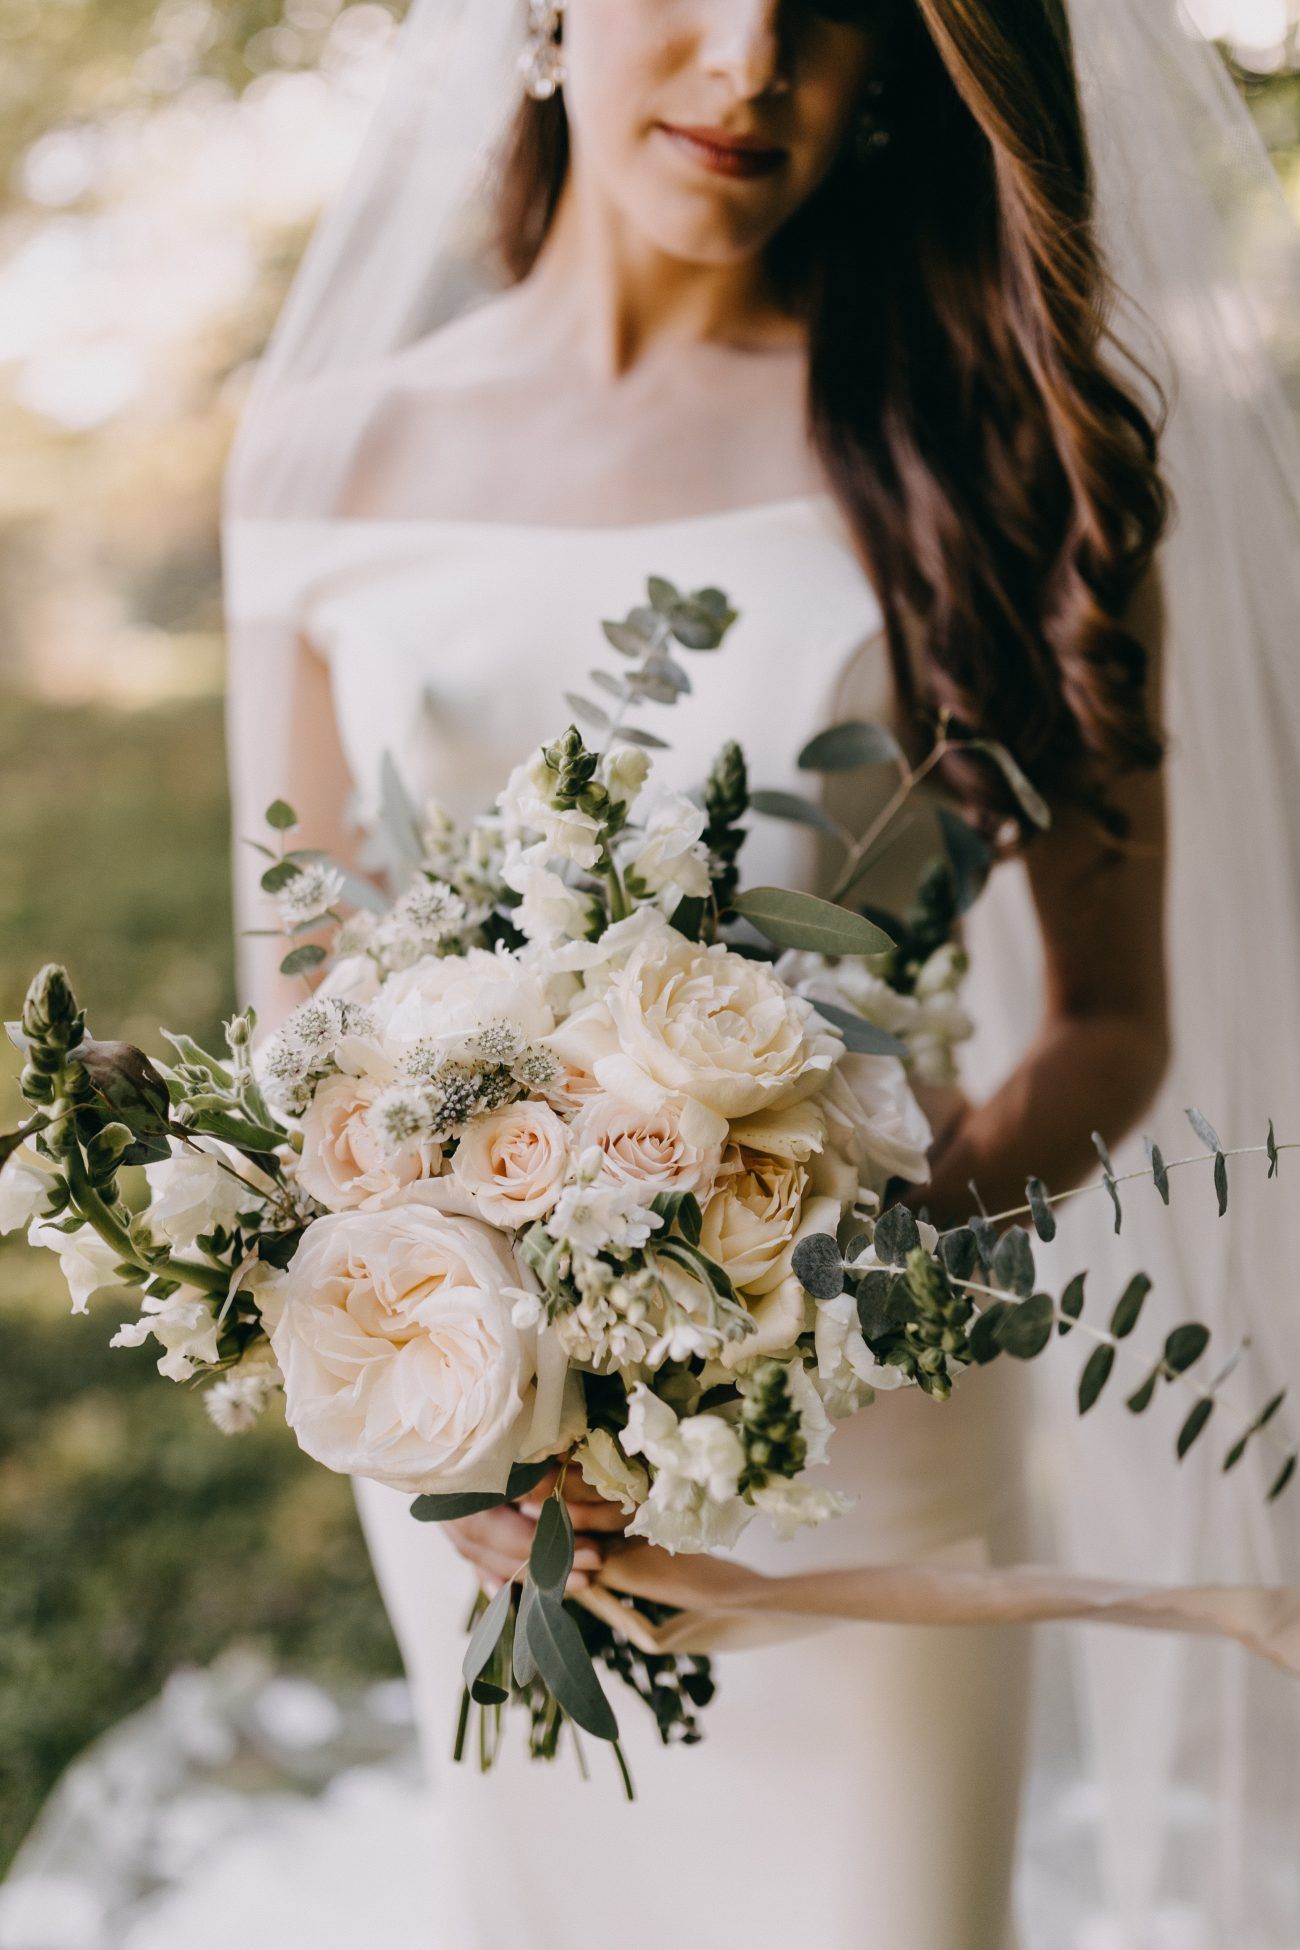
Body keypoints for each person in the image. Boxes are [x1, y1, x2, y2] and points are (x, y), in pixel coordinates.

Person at [222, 1, 1300, 1943]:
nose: (746, 65)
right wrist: (469, 1404)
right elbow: (300, 999)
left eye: (826, 13)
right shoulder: (324, 459)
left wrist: (791, 1297)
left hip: (859, 1438)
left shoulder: (1000, 445)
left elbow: (1106, 1022)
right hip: (487, 1462)